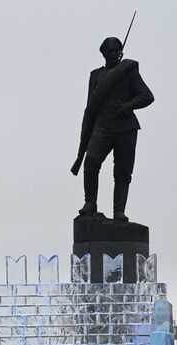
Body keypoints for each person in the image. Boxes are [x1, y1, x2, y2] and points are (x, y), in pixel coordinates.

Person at [72, 36, 154, 221]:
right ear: (103, 52)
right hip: (102, 126)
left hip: (126, 127)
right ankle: (90, 202)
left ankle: (119, 210)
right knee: (91, 160)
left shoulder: (128, 70)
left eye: (118, 50)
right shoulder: (95, 75)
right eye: (112, 50)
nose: (116, 53)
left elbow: (147, 96)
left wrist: (128, 106)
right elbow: (90, 106)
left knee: (123, 171)